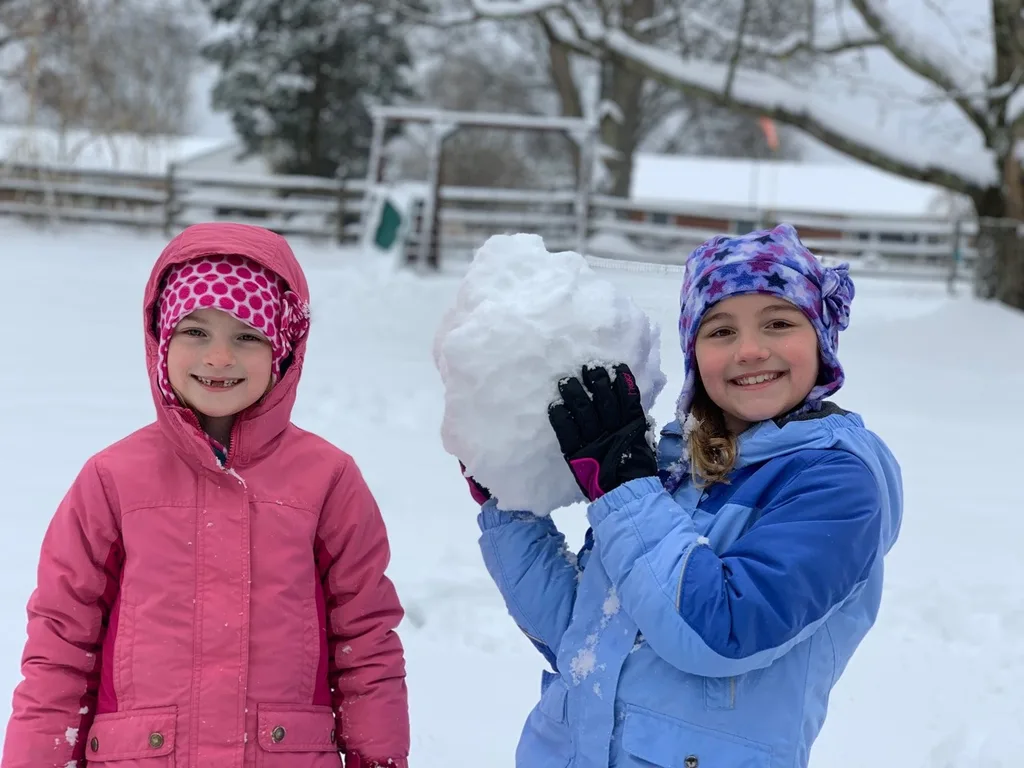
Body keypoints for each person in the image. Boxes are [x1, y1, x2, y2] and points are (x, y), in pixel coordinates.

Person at [467, 223, 902, 768]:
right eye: (720, 331)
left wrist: (625, 488)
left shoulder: (837, 483)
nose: (749, 350)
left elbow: (719, 629)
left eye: (779, 322)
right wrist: (511, 513)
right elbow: (579, 634)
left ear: (821, 338)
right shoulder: (674, 465)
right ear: (694, 352)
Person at [2, 223, 409, 768]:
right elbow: (60, 645)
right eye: (196, 332)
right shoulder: (112, 479)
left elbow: (367, 643)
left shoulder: (328, 480)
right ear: (162, 339)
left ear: (283, 350)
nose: (219, 358)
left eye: (247, 336)